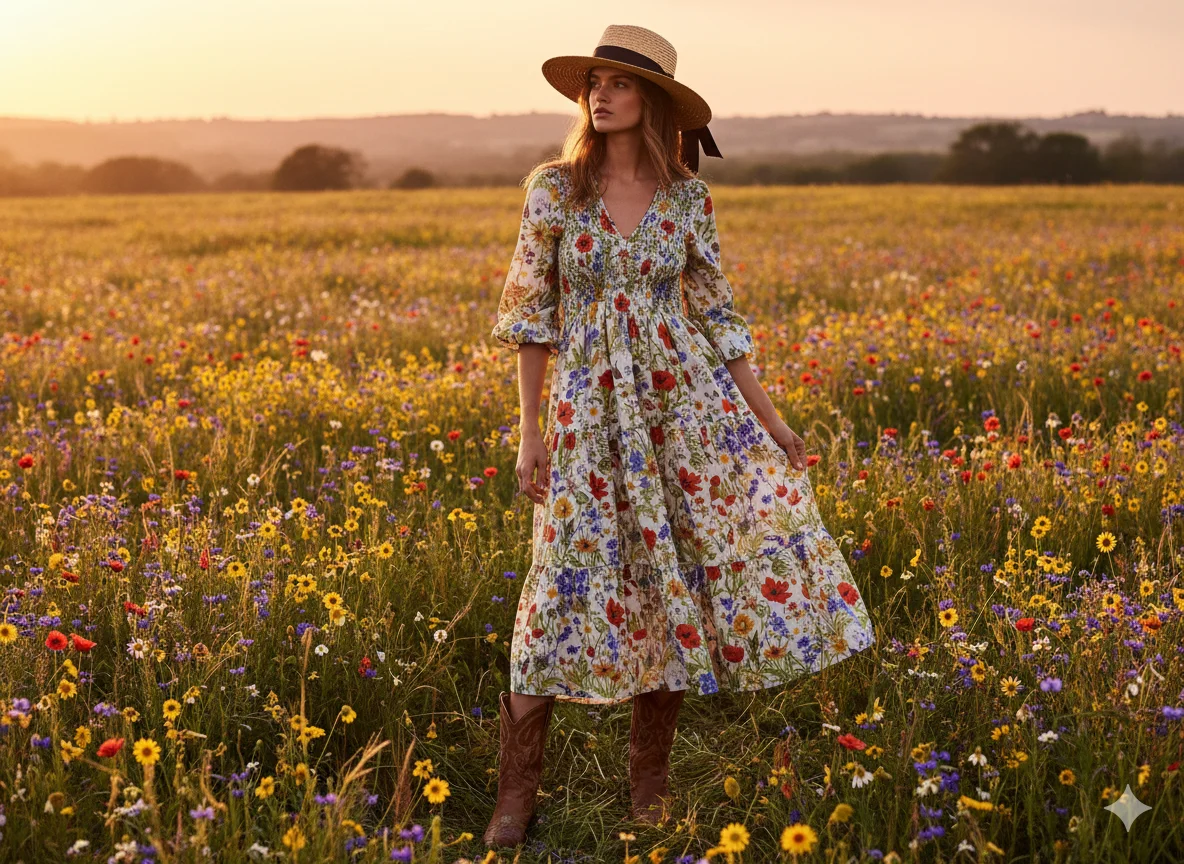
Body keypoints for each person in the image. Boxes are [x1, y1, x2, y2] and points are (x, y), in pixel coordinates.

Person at [484, 24, 876, 849]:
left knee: (667, 583)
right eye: (594, 81)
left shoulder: (690, 199)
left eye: (620, 84)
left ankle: (649, 788)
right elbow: (531, 317)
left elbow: (717, 313)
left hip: (683, 409)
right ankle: (514, 797)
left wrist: (770, 418)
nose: (601, 94)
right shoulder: (554, 190)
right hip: (586, 413)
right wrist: (530, 433)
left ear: (653, 101)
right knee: (554, 583)